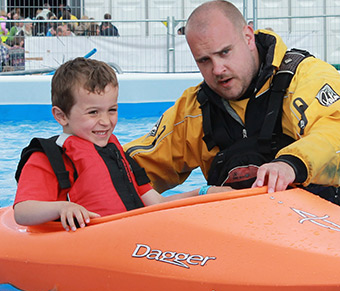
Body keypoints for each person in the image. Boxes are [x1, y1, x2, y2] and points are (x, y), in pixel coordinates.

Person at [124, 0, 340, 203]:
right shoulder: (194, 109)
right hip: (239, 231)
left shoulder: (306, 77)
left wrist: (291, 164)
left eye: (225, 52)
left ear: (248, 37)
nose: (217, 70)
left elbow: (334, 129)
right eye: (204, 60)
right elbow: (134, 165)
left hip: (322, 223)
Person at [14, 57, 232, 232]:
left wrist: (203, 193)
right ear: (61, 116)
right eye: (93, 112)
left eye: (112, 110)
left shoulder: (116, 155)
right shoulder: (50, 158)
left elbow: (155, 203)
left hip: (126, 240)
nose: (106, 121)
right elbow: (22, 212)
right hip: (84, 247)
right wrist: (63, 207)